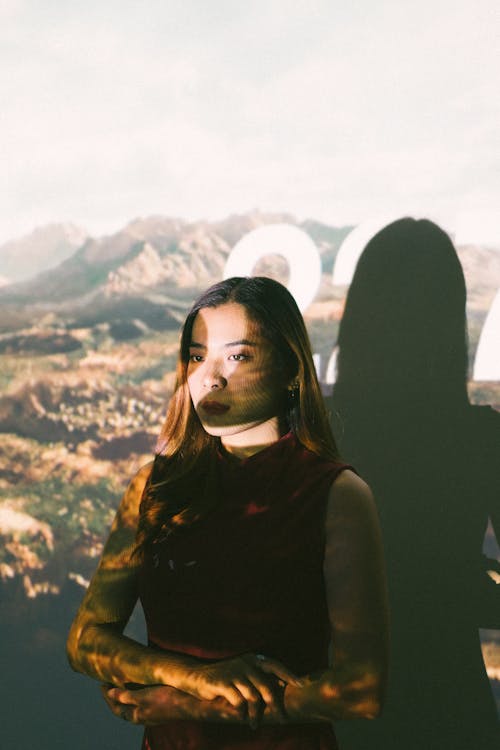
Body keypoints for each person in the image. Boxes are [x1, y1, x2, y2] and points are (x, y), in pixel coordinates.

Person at [67, 276, 389, 750]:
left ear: (290, 369)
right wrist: (190, 677)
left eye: (237, 356)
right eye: (198, 356)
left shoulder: (336, 494)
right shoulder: (152, 487)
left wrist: (184, 704)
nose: (210, 377)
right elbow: (86, 640)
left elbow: (362, 691)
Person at [330, 219, 500, 750]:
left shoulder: (316, 430)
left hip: (336, 718)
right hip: (451, 711)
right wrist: (467, 587)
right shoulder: (482, 439)